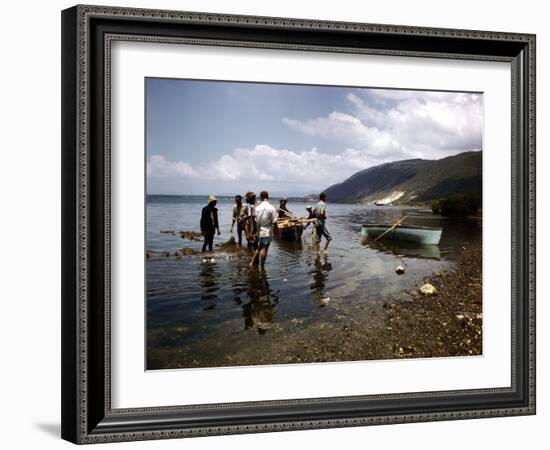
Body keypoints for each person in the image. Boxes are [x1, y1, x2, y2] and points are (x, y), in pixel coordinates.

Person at [250, 191, 278, 268]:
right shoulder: (271, 207)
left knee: (259, 247)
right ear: (267, 197)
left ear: (261, 197)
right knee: (265, 248)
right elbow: (274, 222)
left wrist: (253, 232)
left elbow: (255, 221)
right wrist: (277, 231)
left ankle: (252, 263)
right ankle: (262, 266)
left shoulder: (257, 208)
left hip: (259, 229)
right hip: (267, 230)